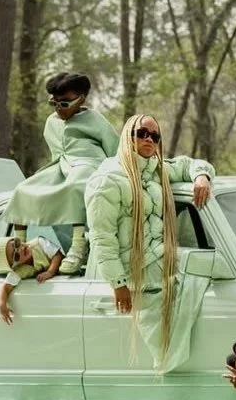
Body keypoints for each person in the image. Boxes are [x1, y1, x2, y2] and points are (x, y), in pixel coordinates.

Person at [85, 114, 214, 364]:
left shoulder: (157, 169)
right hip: (136, 280)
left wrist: (201, 177)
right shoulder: (107, 179)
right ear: (128, 136)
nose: (149, 140)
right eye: (142, 133)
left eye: (155, 136)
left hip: (163, 269)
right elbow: (102, 237)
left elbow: (188, 165)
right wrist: (118, 283)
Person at [2, 72, 118, 275]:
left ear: (81, 99)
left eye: (64, 103)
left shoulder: (96, 121)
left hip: (90, 164)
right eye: (54, 103)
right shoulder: (51, 122)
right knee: (22, 190)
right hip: (61, 165)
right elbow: (56, 152)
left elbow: (114, 149)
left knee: (75, 187)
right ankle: (21, 249)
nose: (58, 108)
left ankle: (78, 245)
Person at [0, 233, 65, 325]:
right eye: (16, 256)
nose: (21, 249)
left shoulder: (39, 243)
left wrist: (50, 272)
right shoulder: (20, 270)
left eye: (16, 243)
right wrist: (1, 304)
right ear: (14, 266)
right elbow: (5, 287)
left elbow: (58, 255)